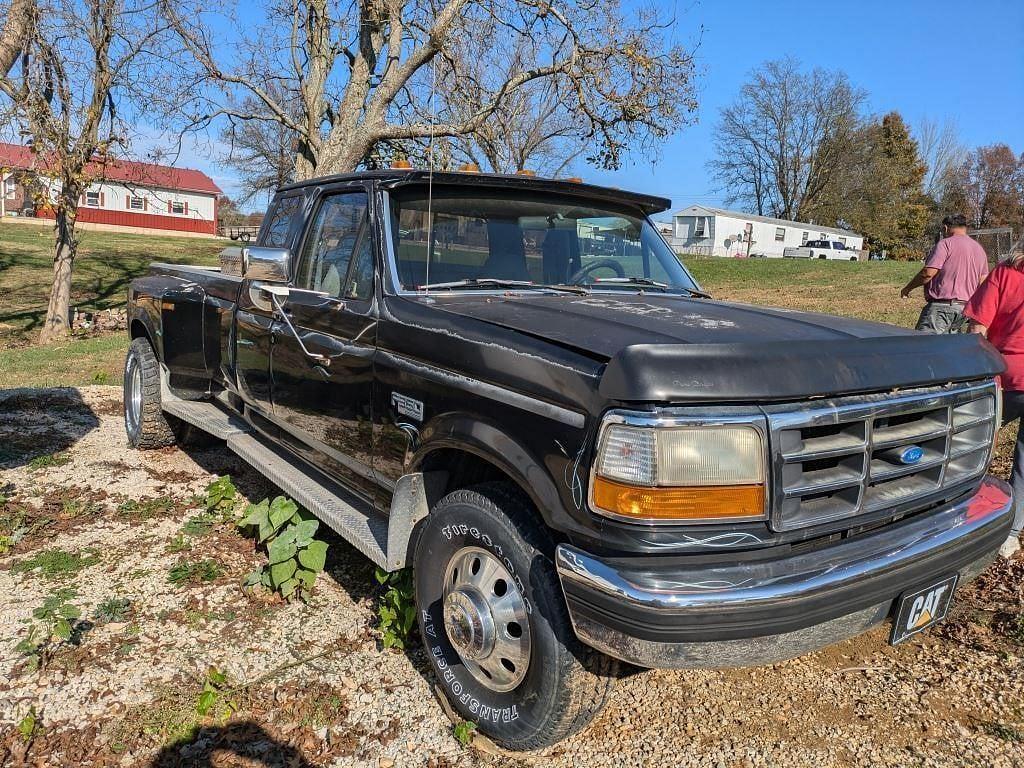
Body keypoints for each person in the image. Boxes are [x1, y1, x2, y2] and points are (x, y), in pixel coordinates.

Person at [964, 243, 1024, 558]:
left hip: (1005, 373)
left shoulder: (1007, 271)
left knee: (968, 441)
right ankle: (1010, 532)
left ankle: (957, 512)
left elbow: (977, 327)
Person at [901, 214, 989, 333]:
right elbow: (983, 283)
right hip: (964, 311)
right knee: (948, 349)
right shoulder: (979, 249)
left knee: (924, 347)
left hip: (941, 308)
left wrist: (908, 288)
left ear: (946, 228)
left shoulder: (945, 244)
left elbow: (928, 273)